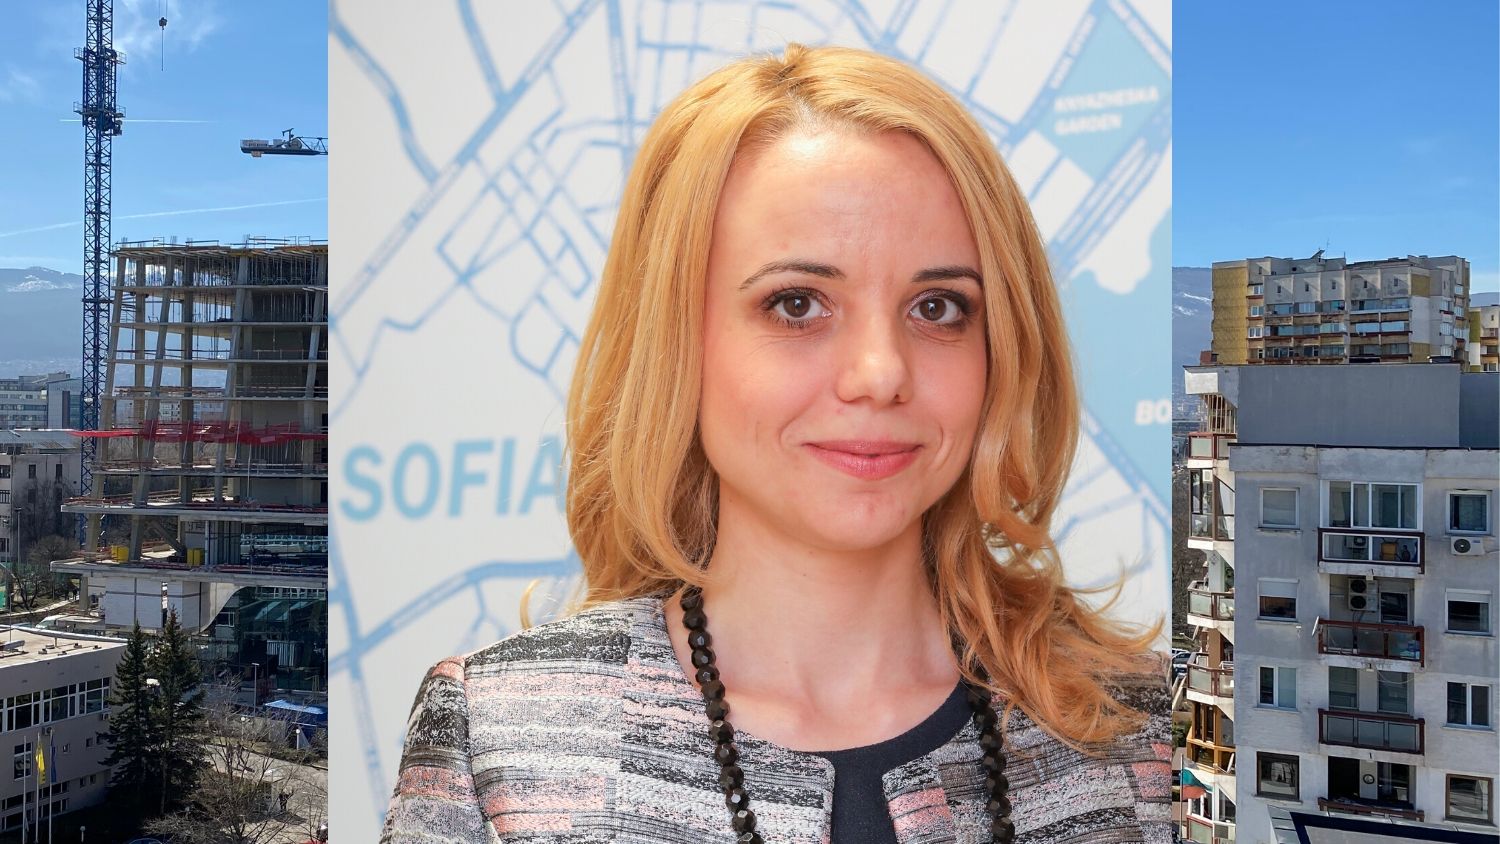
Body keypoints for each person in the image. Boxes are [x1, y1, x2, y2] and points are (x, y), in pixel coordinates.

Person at [380, 43, 1170, 844]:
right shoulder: (497, 737)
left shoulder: (1143, 732)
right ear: (678, 343)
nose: (880, 374)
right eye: (797, 304)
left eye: (937, 307)